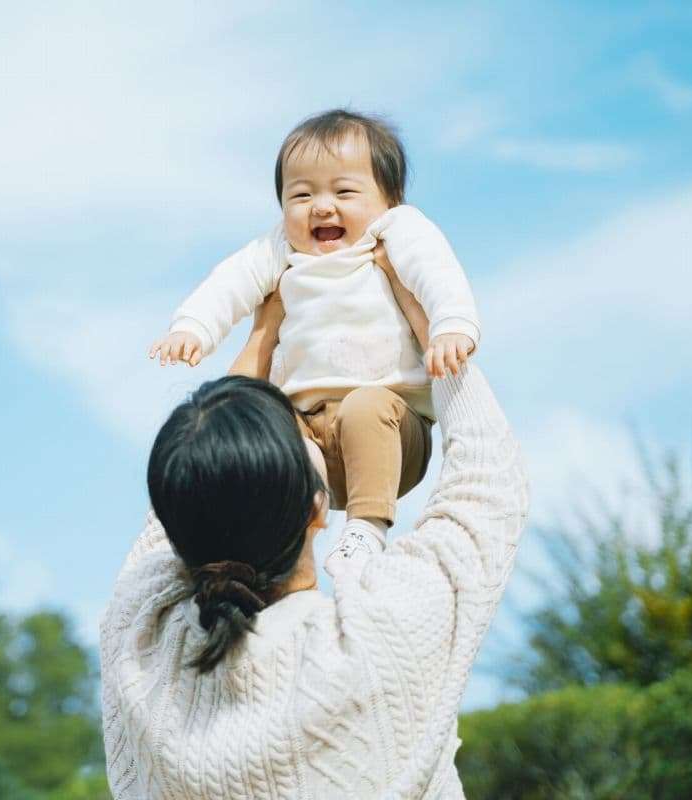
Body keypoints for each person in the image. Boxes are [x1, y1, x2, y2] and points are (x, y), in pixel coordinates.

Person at [100, 364, 527, 798]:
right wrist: (439, 332)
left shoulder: (138, 649)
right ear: (317, 509)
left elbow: (190, 488)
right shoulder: (378, 635)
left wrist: (250, 369)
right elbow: (488, 486)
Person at [148, 109, 481, 580]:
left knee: (367, 406)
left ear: (390, 201)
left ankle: (366, 528)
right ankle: (293, 521)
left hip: (390, 430)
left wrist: (451, 326)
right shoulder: (283, 248)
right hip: (310, 429)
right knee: (273, 428)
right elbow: (231, 282)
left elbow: (438, 272)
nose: (322, 207)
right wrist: (194, 327)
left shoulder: (395, 234)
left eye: (344, 191)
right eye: (301, 195)